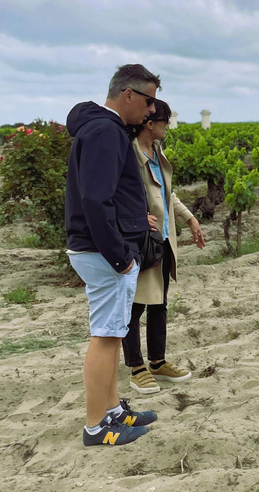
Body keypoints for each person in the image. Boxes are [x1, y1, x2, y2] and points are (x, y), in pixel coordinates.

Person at [66, 64, 161, 446]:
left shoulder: (103, 129)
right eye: (149, 101)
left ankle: (111, 411)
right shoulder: (106, 131)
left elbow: (108, 195)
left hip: (100, 248)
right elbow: (94, 198)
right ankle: (96, 427)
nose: (152, 110)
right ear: (128, 95)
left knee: (112, 332)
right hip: (103, 252)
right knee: (106, 336)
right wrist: (120, 255)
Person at [122, 99, 205, 394]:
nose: (168, 126)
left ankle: (157, 361)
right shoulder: (129, 153)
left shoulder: (157, 152)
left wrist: (190, 219)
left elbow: (168, 195)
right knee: (134, 307)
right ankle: (136, 368)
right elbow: (117, 194)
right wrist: (133, 219)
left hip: (163, 239)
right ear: (150, 124)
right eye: (165, 121)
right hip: (141, 240)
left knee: (159, 303)